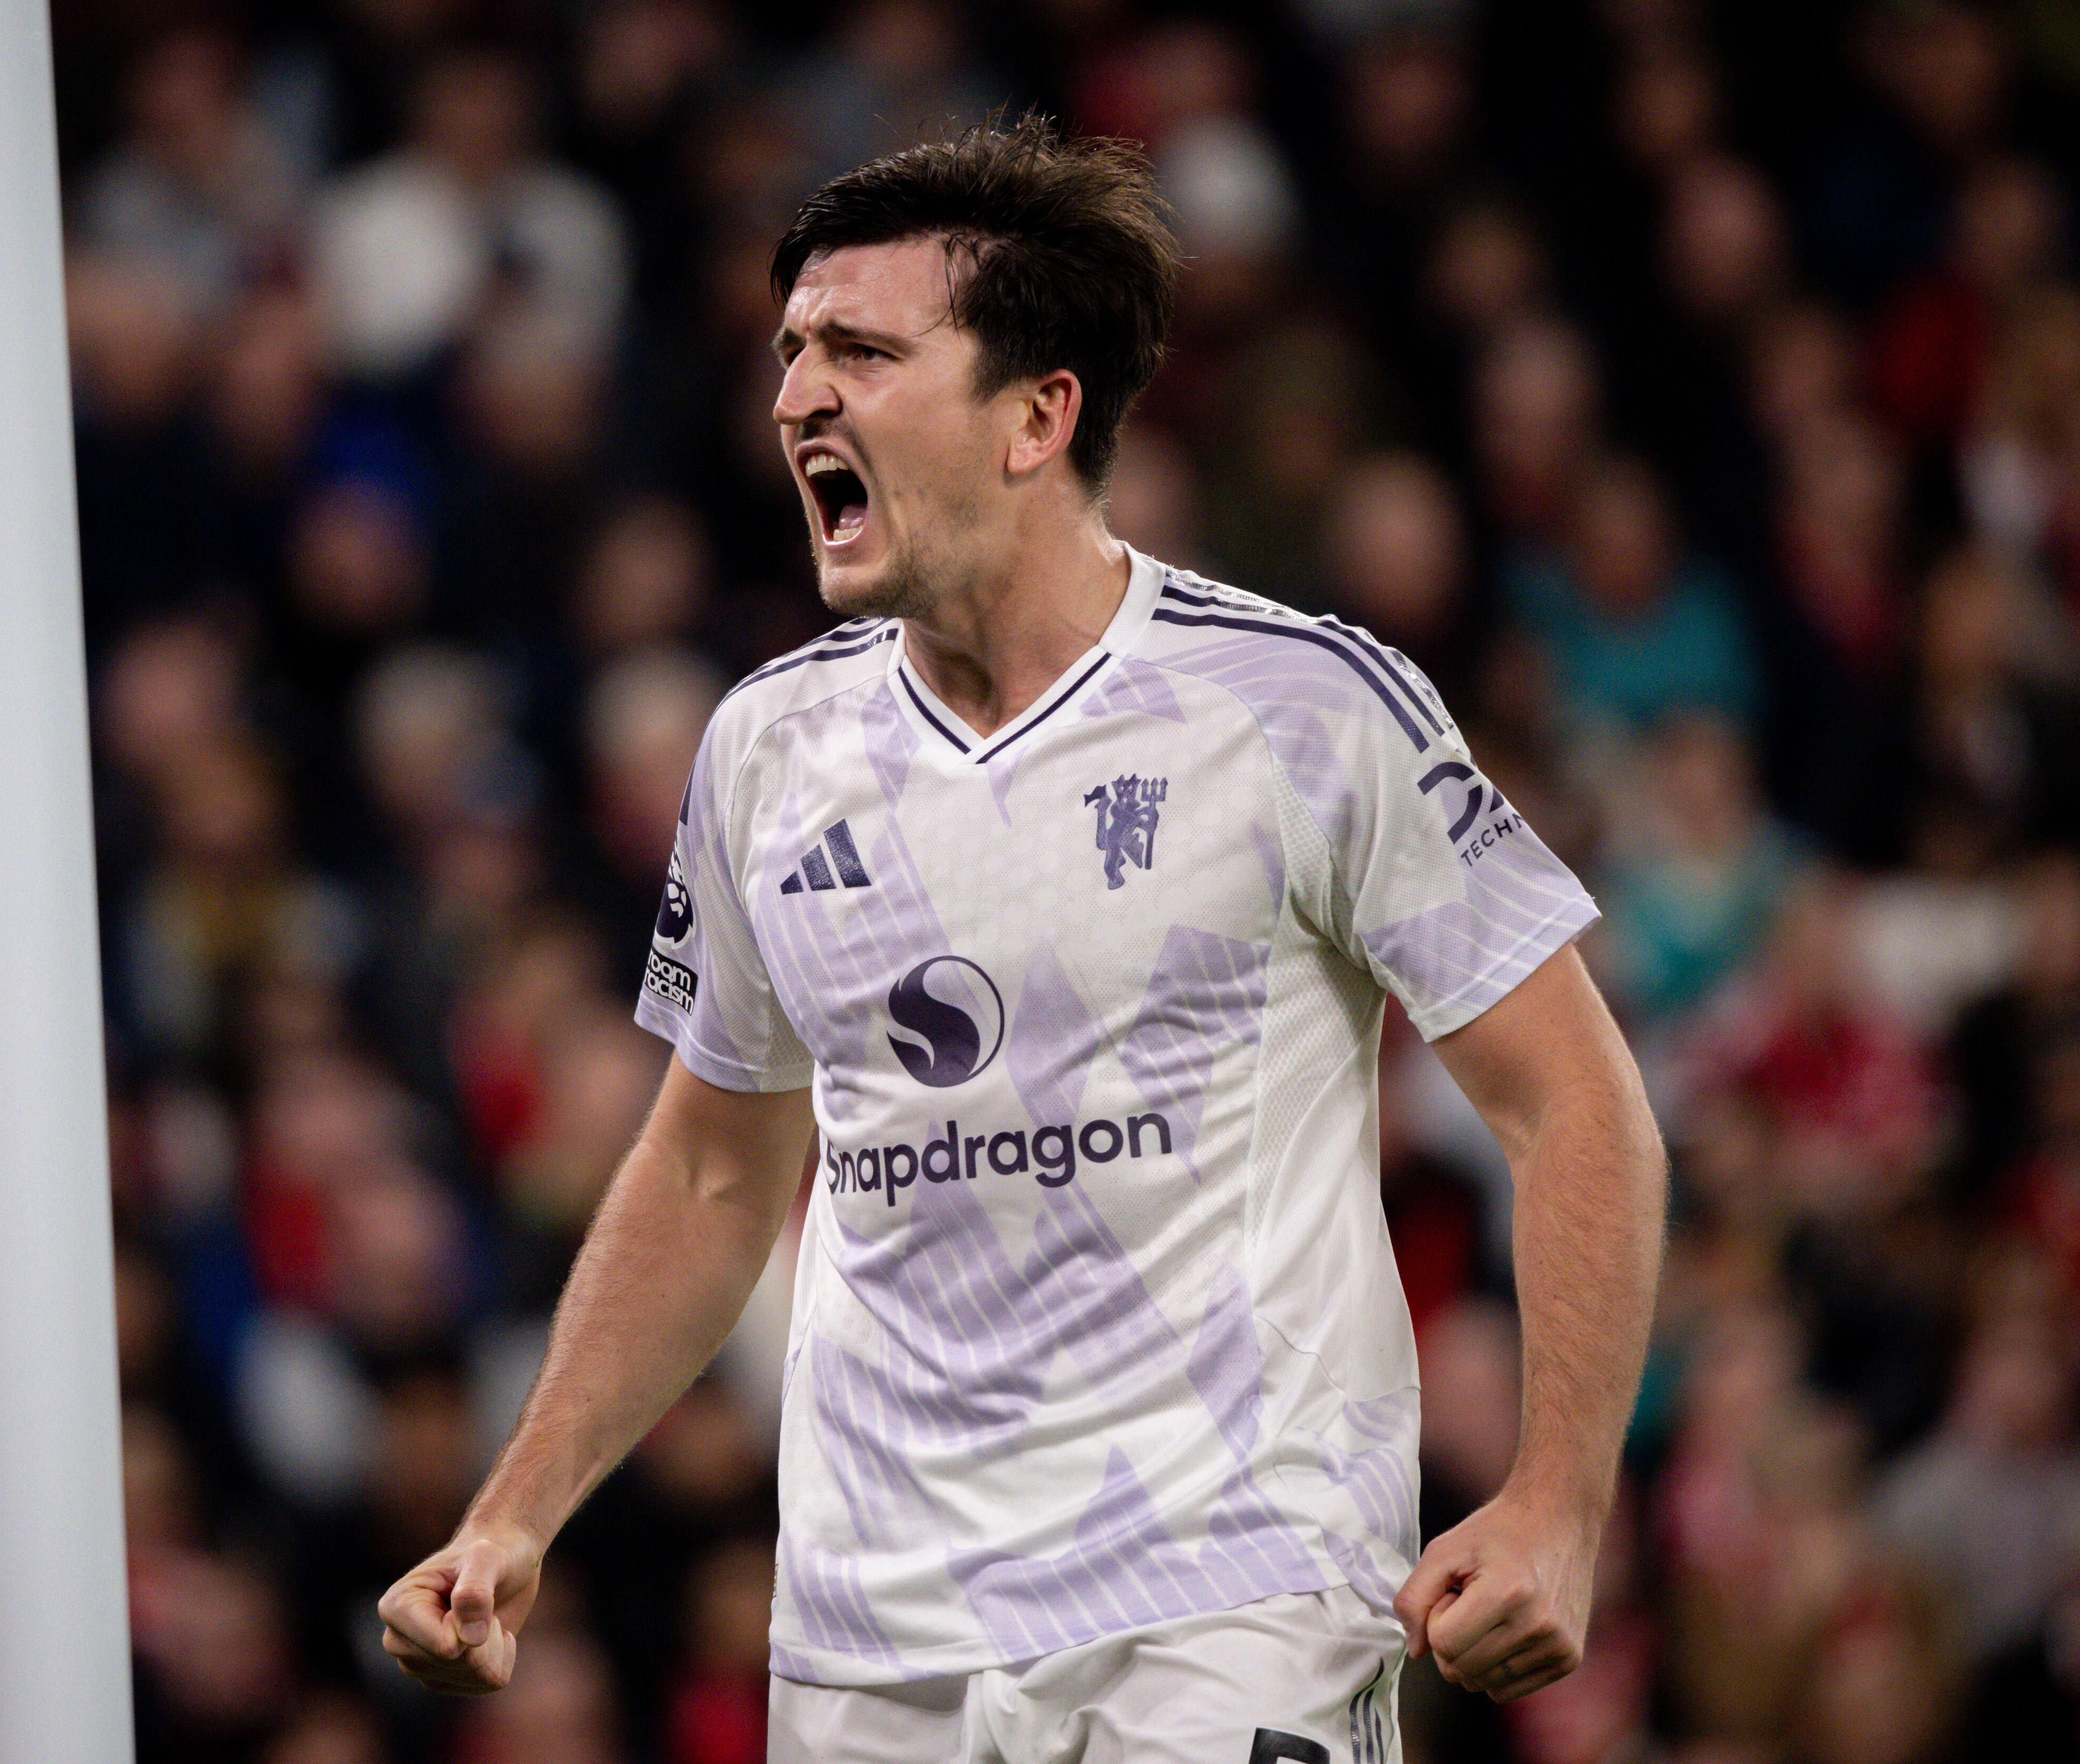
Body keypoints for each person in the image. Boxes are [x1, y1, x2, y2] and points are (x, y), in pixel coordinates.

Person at [377, 118, 1668, 1762]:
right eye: (790, 355)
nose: (794, 398)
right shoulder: (766, 752)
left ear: (1036, 417)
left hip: (1231, 1591)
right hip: (871, 1637)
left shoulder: (1300, 709)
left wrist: (1559, 1503)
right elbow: (713, 1173)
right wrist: (516, 1516)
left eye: (860, 349)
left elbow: (1577, 1103)